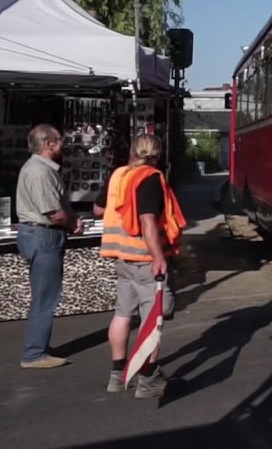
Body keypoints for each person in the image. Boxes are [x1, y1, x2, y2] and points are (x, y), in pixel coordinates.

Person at [98, 133, 187, 398]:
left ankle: (117, 375)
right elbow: (147, 221)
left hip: (121, 259)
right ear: (157, 154)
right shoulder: (149, 178)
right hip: (146, 261)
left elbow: (98, 209)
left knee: (122, 314)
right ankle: (147, 380)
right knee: (153, 320)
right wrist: (158, 257)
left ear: (133, 151)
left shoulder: (119, 176)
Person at [14, 124, 83, 369]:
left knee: (44, 295)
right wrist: (74, 224)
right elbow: (54, 213)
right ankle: (34, 353)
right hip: (43, 235)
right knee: (46, 297)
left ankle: (38, 346)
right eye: (60, 141)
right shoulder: (40, 172)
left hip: (41, 235)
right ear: (48, 144)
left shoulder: (40, 169)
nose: (63, 146)